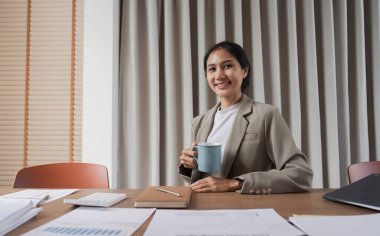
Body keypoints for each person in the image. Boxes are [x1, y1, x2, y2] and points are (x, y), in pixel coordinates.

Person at [178, 41, 313, 194]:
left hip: (247, 210)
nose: (219, 75)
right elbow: (204, 179)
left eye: (227, 66)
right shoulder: (199, 122)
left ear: (244, 70)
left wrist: (236, 183)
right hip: (204, 209)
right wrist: (188, 168)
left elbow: (301, 174)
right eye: (212, 69)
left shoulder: (266, 115)